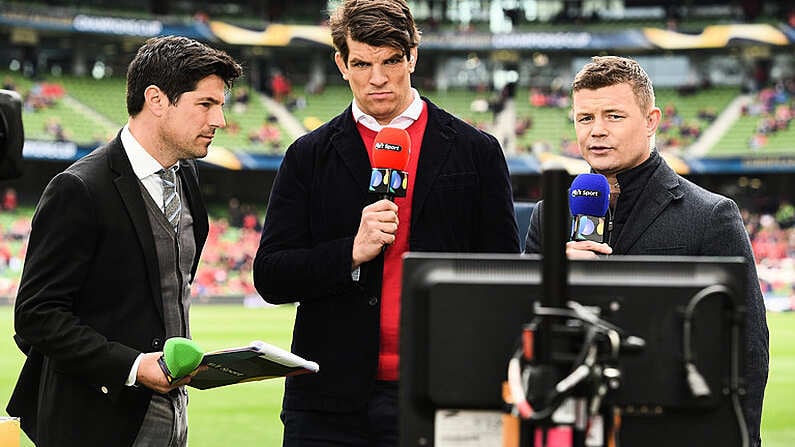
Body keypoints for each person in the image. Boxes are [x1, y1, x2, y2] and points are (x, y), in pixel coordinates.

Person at [252, 0, 519, 444]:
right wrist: (350, 252)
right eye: (362, 63)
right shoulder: (308, 155)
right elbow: (271, 276)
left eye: (391, 61)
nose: (377, 78)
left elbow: (503, 273)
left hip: (440, 390)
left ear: (413, 55)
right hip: (327, 400)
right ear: (341, 63)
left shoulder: (476, 150)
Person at [7, 35, 242, 446]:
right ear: (156, 99)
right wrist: (131, 365)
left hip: (172, 416)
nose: (219, 119)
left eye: (219, 105)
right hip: (94, 422)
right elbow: (36, 317)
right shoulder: (79, 189)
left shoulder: (187, 175)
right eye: (206, 104)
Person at [524, 56, 768, 446]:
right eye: (585, 118)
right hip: (575, 425)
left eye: (614, 116)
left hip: (673, 429)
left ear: (651, 120)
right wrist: (557, 283)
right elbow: (521, 328)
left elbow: (748, 349)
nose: (597, 131)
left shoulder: (711, 216)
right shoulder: (548, 216)